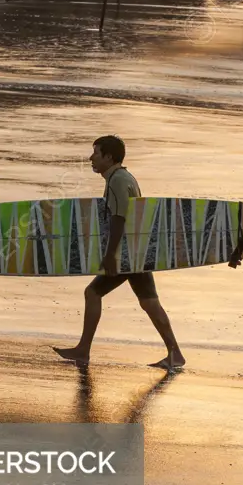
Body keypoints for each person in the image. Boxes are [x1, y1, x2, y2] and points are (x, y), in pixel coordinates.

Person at [53, 135, 186, 370]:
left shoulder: (117, 180)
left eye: (95, 153)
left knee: (93, 292)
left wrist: (110, 254)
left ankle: (83, 350)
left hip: (127, 254)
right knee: (149, 302)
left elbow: (119, 218)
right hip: (137, 251)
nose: (91, 158)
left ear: (109, 156)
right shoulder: (122, 176)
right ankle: (175, 354)